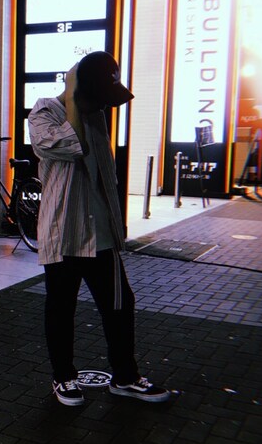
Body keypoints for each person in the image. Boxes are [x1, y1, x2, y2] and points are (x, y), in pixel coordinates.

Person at [28, 51, 170, 406]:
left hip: (101, 234)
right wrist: (72, 95)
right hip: (64, 232)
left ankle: (125, 377)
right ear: (81, 92)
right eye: (99, 98)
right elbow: (70, 147)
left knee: (120, 305)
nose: (104, 106)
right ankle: (63, 377)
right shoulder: (44, 112)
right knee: (61, 309)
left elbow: (104, 171)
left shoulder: (95, 115)